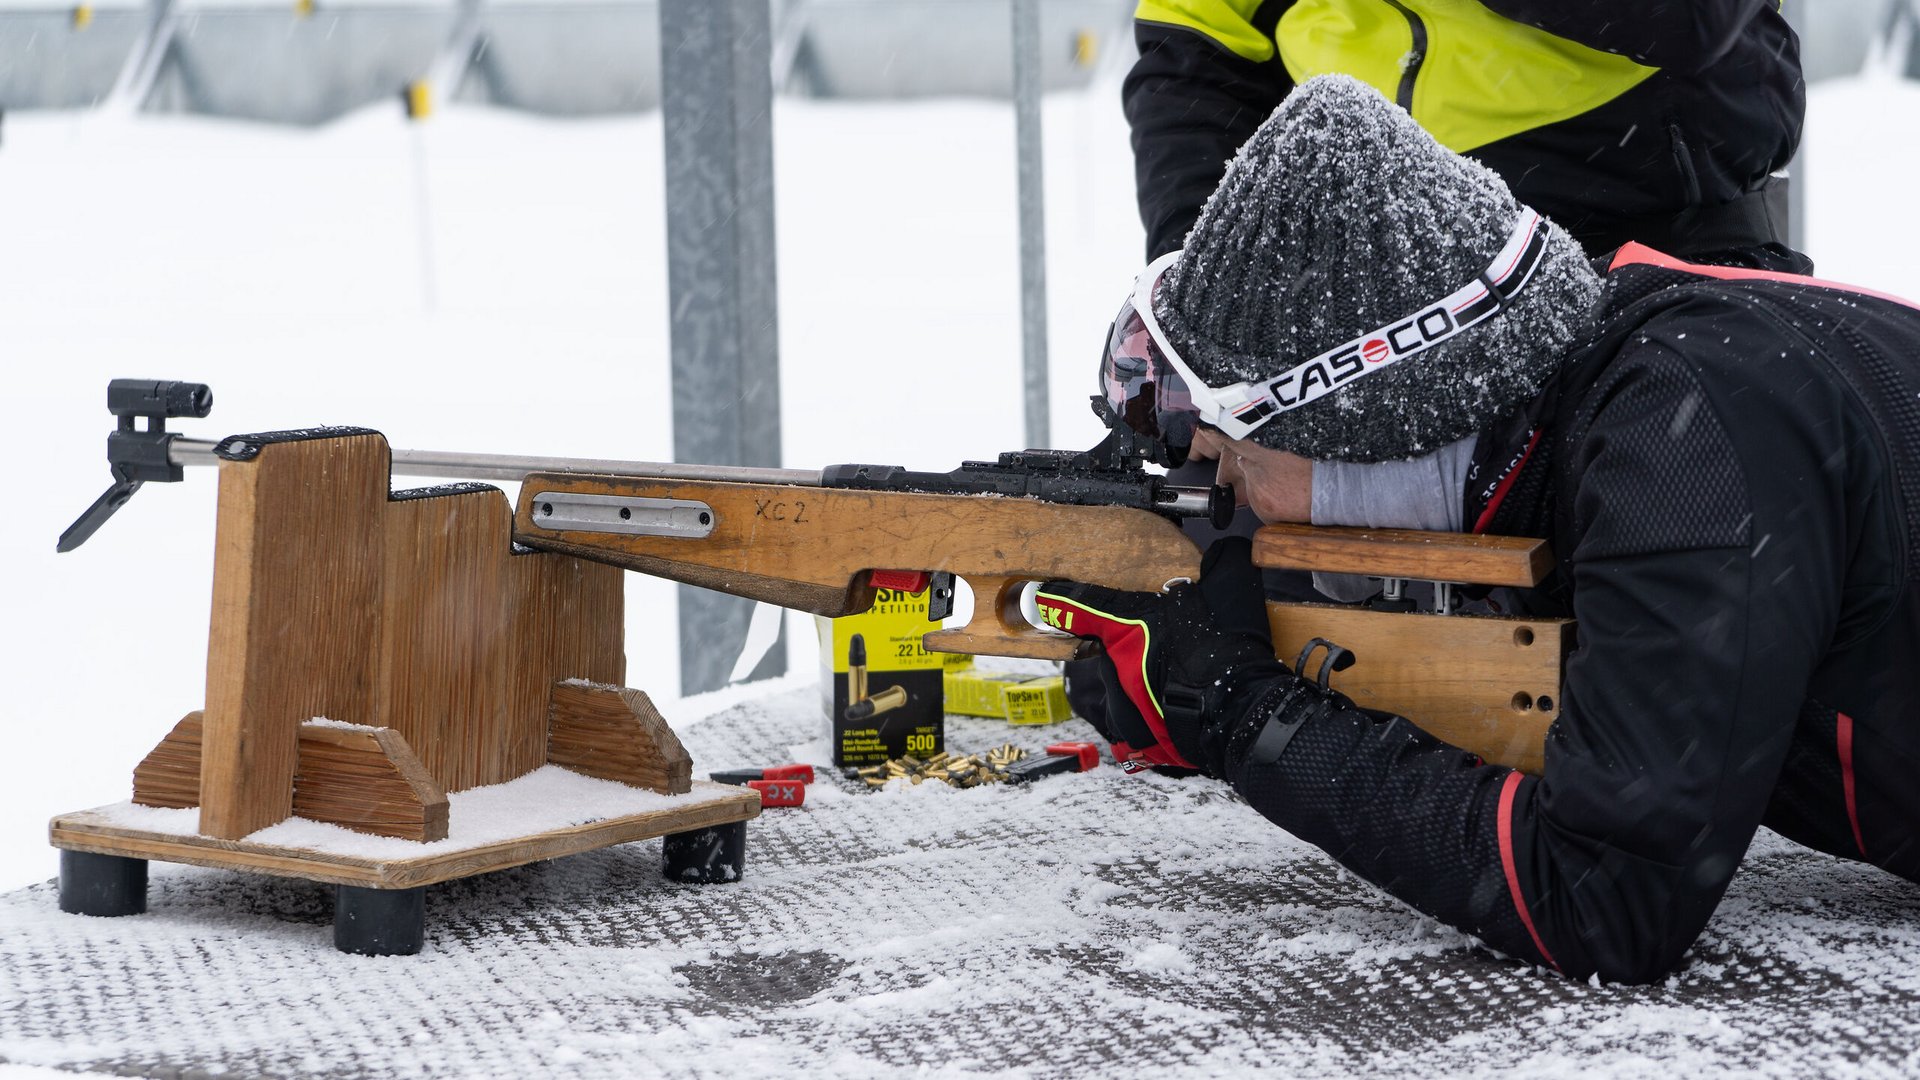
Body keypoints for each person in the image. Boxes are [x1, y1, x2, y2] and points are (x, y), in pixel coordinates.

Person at [1043, 74, 1920, 984]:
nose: (1234, 496)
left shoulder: (1683, 436)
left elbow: (1599, 896)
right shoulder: (1627, 373)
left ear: (1364, 428)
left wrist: (1243, 712)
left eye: (1235, 462)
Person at [1125, 0, 1808, 272]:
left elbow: (1689, 15)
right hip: (1369, 285)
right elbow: (1199, 52)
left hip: (1640, 244)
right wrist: (1199, 270)